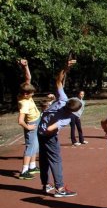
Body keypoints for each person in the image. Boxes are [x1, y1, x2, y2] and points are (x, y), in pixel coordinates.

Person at [37, 59, 81, 197]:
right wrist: (52, 130)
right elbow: (51, 128)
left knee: (44, 159)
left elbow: (58, 81)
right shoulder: (66, 118)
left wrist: (65, 68)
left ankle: (46, 185)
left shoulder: (62, 99)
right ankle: (60, 189)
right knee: (55, 160)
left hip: (40, 131)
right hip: (48, 135)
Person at [17, 59, 40, 180]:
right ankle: (24, 170)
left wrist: (25, 66)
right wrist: (28, 127)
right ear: (26, 94)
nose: (33, 94)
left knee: (35, 145)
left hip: (36, 120)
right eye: (31, 93)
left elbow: (28, 78)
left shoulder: (25, 92)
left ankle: (32, 166)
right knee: (30, 147)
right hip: (31, 124)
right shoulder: (24, 103)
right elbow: (20, 120)